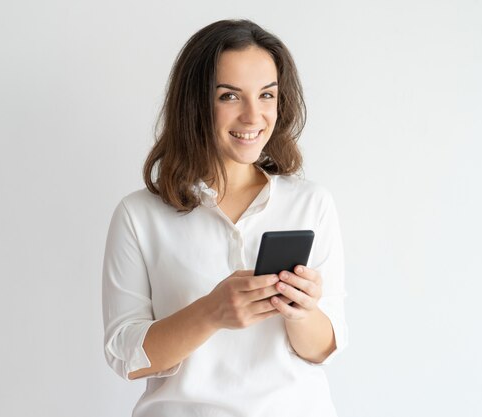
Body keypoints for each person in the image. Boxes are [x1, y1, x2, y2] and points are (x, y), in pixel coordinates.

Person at [102, 19, 347, 417]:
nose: (253, 117)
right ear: (195, 104)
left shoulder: (311, 203)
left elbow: (323, 349)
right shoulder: (139, 215)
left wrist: (301, 311)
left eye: (266, 94)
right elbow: (125, 357)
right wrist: (211, 312)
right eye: (230, 96)